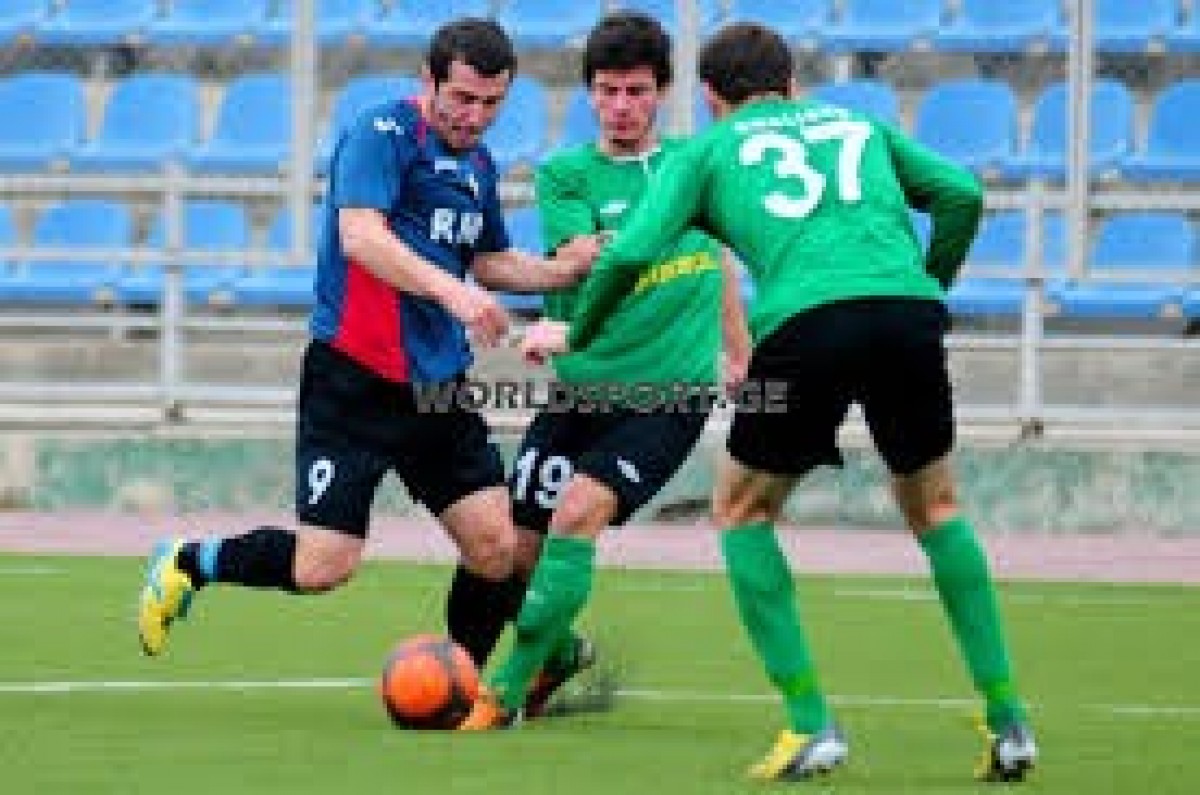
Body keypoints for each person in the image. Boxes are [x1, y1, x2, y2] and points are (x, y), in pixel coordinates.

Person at [467, 21, 1039, 786]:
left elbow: (628, 253)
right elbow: (962, 193)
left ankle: (808, 721)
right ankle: (1008, 718)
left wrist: (577, 330)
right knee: (937, 509)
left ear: (708, 97)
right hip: (906, 313)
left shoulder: (707, 150)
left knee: (742, 511)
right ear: (792, 85)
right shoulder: (856, 123)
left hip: (806, 322)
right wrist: (931, 284)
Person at [137, 18, 596, 659]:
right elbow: (361, 236)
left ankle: (465, 683)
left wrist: (563, 271)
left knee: (497, 547)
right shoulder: (382, 134)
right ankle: (190, 561)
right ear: (428, 81)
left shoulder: (478, 165)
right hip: (353, 381)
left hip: (436, 387)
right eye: (462, 98)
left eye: (491, 103)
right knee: (323, 565)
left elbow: (489, 260)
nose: (475, 116)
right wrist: (453, 292)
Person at [450, 11, 751, 719]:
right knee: (515, 553)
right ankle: (552, 656)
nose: (621, 106)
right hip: (582, 391)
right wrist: (569, 324)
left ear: (662, 93)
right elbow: (581, 257)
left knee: (577, 512)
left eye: (637, 91)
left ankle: (503, 695)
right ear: (589, 93)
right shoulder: (565, 175)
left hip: (668, 396)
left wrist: (739, 350)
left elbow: (719, 262)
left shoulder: (696, 164)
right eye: (608, 91)